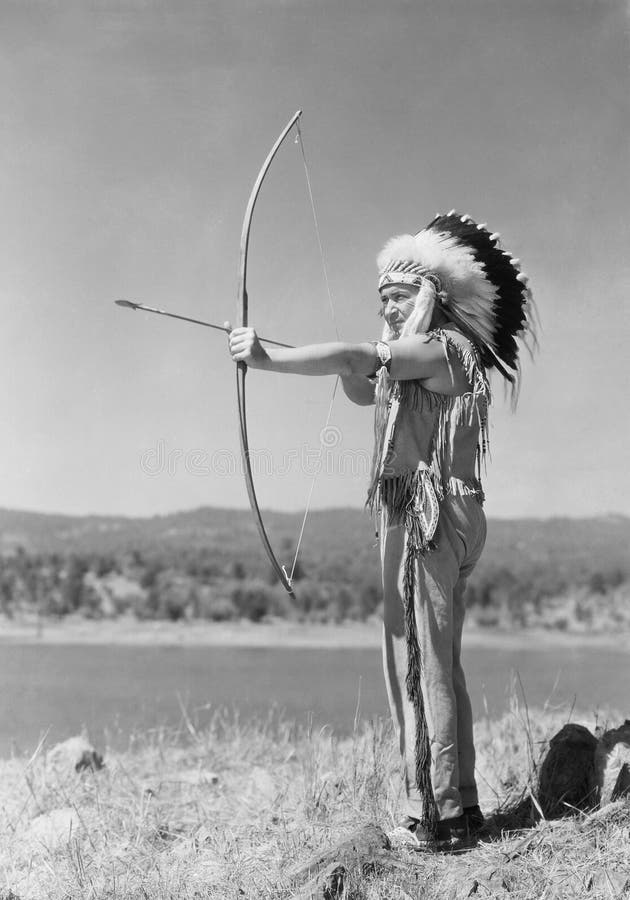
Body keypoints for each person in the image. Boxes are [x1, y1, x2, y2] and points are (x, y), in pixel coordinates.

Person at [227, 211, 535, 850]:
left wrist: (267, 358)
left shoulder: (445, 349)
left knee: (419, 663)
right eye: (383, 301)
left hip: (432, 517)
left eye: (400, 298)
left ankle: (439, 818)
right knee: (433, 661)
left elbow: (361, 357)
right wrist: (342, 367)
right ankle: (460, 806)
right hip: (430, 515)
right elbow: (362, 386)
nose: (389, 310)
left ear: (430, 297)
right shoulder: (418, 359)